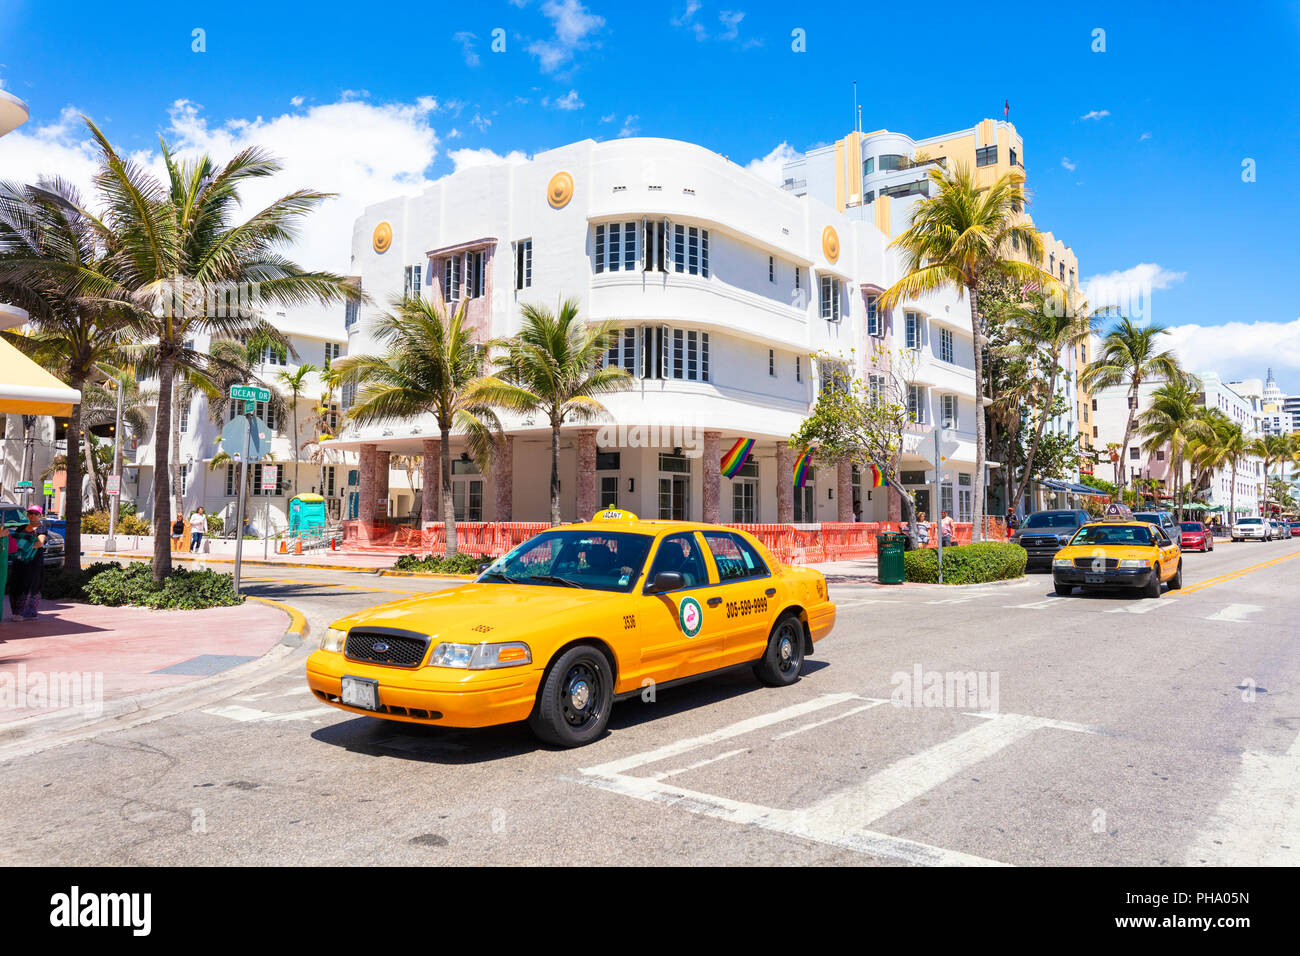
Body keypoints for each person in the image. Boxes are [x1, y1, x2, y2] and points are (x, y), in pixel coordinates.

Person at [8, 505, 47, 620]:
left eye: (36, 513)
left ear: (40, 515)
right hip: (20, 561)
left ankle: (29, 613)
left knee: (31, 584)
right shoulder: (21, 527)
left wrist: (25, 548)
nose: (33, 515)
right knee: (17, 583)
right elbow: (14, 541)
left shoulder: (41, 528)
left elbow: (40, 543)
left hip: (34, 562)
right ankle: (17, 612)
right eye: (30, 513)